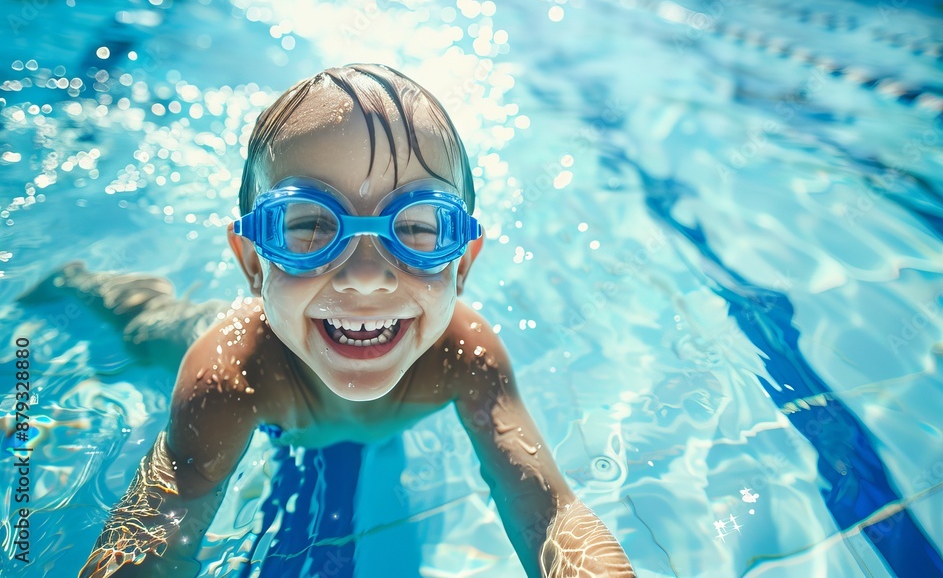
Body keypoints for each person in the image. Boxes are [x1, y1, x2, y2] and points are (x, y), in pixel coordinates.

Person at [69, 64, 634, 577]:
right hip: (234, 338)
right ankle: (81, 283)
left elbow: (546, 511)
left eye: (416, 227)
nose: (365, 277)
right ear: (253, 264)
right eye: (310, 225)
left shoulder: (467, 358)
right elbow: (156, 529)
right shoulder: (228, 377)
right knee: (143, 327)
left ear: (461, 264)